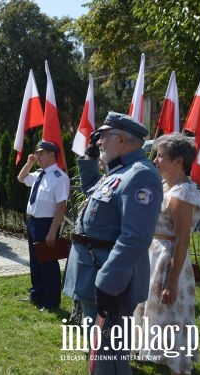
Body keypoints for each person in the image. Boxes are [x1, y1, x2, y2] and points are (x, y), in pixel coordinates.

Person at [63, 112, 163, 375]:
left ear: (120, 139)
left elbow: (135, 238)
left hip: (110, 280)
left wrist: (107, 284)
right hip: (94, 273)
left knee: (109, 355)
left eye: (103, 137)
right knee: (99, 347)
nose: (98, 142)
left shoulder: (140, 175)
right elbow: (95, 195)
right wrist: (89, 160)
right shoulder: (119, 171)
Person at [132, 133, 200, 375]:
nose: (155, 160)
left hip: (168, 256)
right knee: (153, 306)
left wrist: (172, 281)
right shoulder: (167, 186)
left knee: (169, 307)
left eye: (161, 155)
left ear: (178, 161)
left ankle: (173, 358)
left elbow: (182, 238)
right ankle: (151, 350)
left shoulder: (182, 193)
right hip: (154, 254)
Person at [17, 140, 69, 312]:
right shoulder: (39, 174)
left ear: (52, 155)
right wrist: (29, 163)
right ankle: (37, 294)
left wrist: (53, 232)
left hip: (47, 223)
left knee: (48, 264)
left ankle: (51, 301)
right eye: (37, 153)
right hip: (33, 221)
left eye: (41, 153)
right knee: (35, 262)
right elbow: (21, 178)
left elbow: (61, 206)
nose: (37, 155)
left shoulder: (59, 177)